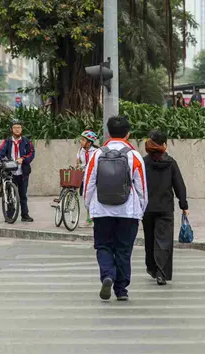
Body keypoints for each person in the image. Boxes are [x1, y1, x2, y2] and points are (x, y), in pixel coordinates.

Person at [84, 116, 148, 301]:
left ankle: (107, 275)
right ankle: (121, 290)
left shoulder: (97, 154)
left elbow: (88, 183)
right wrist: (140, 210)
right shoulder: (134, 155)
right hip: (128, 212)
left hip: (102, 210)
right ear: (128, 133)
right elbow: (141, 187)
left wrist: (90, 206)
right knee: (123, 249)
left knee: (103, 245)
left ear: (108, 133)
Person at [142, 130, 189, 286]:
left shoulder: (143, 162)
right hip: (165, 208)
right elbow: (179, 185)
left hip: (147, 208)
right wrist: (184, 204)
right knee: (164, 241)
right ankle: (162, 273)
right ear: (164, 145)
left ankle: (152, 268)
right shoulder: (171, 163)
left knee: (149, 239)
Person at [0, 119, 36, 222]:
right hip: (10, 171)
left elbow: (31, 153)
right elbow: (1, 152)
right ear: (11, 129)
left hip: (22, 172)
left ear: (22, 129)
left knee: (23, 194)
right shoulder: (7, 141)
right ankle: (9, 215)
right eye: (15, 127)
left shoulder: (27, 142)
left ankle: (25, 215)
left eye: (19, 127)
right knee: (10, 194)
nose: (17, 129)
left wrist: (23, 159)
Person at [76, 130, 99, 227]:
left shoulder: (96, 152)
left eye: (83, 140)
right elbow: (78, 162)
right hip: (84, 178)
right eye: (81, 139)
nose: (81, 141)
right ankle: (89, 219)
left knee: (94, 198)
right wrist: (79, 166)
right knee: (86, 196)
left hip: (94, 177)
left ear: (89, 143)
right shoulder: (80, 151)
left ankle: (93, 219)